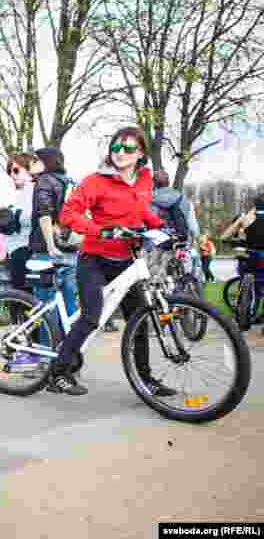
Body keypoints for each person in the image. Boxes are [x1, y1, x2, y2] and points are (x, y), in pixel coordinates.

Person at [55, 126, 175, 396]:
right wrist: (100, 230)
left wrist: (161, 227)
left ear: (141, 153)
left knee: (140, 319)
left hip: (127, 259)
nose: (121, 153)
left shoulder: (144, 179)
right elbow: (68, 214)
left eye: (129, 148)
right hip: (94, 258)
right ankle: (59, 372)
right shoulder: (95, 181)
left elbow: (141, 209)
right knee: (91, 316)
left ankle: (146, 380)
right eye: (116, 147)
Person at [23, 147, 80, 363]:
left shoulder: (44, 182)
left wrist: (50, 245)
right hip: (72, 251)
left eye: (35, 159)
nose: (31, 163)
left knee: (45, 307)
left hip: (47, 253)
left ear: (47, 161)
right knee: (71, 307)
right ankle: (70, 356)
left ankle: (47, 358)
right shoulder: (71, 182)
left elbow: (44, 215)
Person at [1, 153, 35, 293]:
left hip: (26, 249)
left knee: (21, 297)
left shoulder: (33, 190)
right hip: (15, 250)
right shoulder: (19, 194)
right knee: (18, 298)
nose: (12, 175)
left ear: (28, 170)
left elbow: (32, 217)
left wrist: (12, 218)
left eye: (16, 170)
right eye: (10, 171)